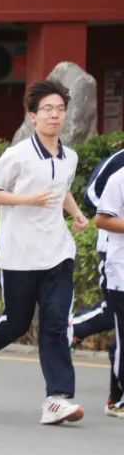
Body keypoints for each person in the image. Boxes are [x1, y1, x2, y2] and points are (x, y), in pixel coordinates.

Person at [0, 80, 88, 424]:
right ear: (33, 116)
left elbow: (61, 189)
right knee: (16, 322)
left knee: (55, 323)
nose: (54, 115)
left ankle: (57, 399)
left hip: (58, 252)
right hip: (18, 254)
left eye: (60, 110)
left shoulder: (70, 157)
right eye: (47, 110)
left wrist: (76, 212)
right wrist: (26, 199)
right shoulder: (17, 155)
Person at [92, 156, 124, 419]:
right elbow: (102, 219)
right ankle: (118, 399)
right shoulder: (119, 178)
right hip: (120, 270)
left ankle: (117, 397)